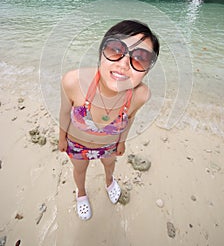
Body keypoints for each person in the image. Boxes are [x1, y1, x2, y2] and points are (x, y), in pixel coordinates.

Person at [58, 19, 160, 220]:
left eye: (140, 58)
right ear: (101, 53)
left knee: (109, 164)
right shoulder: (73, 82)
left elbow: (129, 119)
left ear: (146, 71)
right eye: (115, 49)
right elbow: (63, 113)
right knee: (80, 170)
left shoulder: (141, 95)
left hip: (109, 145)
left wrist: (121, 142)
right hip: (78, 144)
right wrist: (62, 139)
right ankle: (81, 193)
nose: (123, 64)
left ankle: (109, 181)